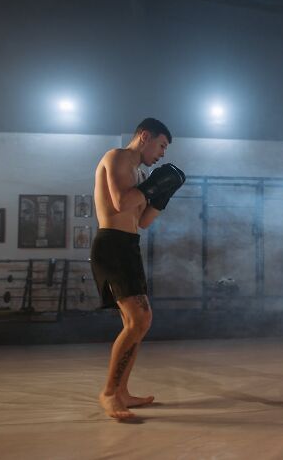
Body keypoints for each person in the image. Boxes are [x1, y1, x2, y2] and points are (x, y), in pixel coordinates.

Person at [91, 117, 185, 419]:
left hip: (128, 246)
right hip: (112, 245)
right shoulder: (116, 157)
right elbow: (120, 202)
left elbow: (142, 221)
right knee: (139, 319)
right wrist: (152, 186)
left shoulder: (140, 172)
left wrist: (162, 195)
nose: (162, 154)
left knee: (138, 323)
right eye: (161, 145)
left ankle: (121, 392)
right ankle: (108, 393)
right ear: (144, 136)